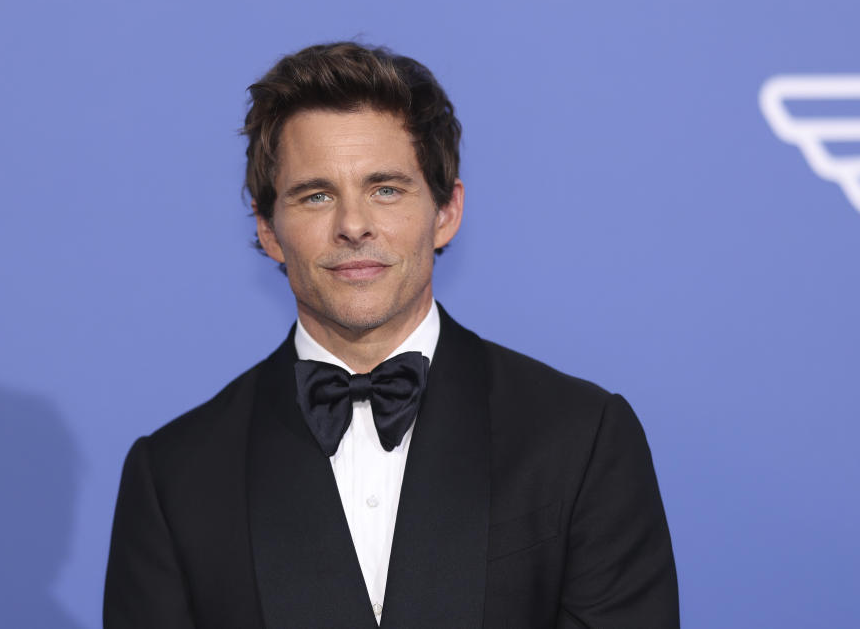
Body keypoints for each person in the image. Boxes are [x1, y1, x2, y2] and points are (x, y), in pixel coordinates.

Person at [103, 41, 679, 629]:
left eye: (386, 189)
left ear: (446, 211)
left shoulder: (580, 439)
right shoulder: (175, 477)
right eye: (316, 195)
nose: (353, 226)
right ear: (268, 228)